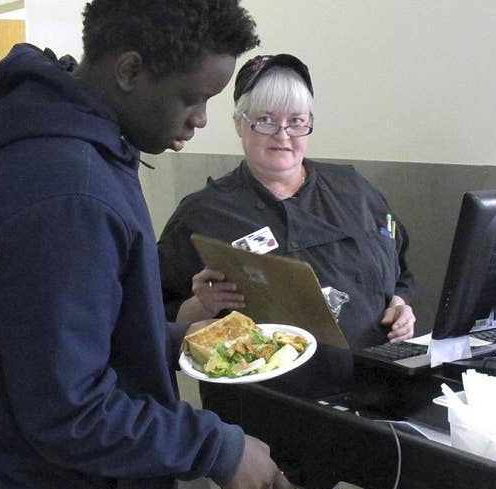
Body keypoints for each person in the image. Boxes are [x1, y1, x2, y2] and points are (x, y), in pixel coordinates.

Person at [0, 1, 300, 489]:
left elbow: (65, 341)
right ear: (130, 70)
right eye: (193, 98)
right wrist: (217, 449)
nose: (202, 119)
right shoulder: (69, 192)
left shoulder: (92, 152)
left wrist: (176, 337)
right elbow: (68, 410)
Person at [157, 53, 416, 395]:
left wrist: (401, 305)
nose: (283, 134)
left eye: (296, 120)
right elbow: (155, 316)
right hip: (266, 412)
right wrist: (200, 305)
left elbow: (400, 272)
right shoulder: (202, 215)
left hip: (377, 395)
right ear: (239, 124)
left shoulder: (355, 190)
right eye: (265, 120)